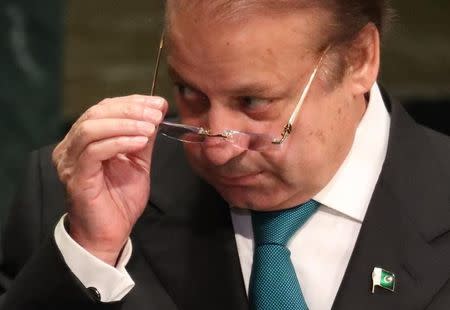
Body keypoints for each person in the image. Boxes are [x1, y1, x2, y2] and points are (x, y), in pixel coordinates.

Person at [1, 0, 449, 309]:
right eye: (189, 93)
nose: (216, 148)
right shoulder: (72, 199)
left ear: (359, 61)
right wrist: (91, 253)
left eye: (253, 103)